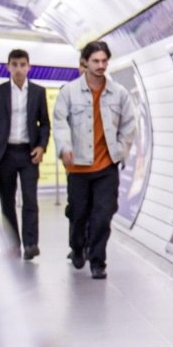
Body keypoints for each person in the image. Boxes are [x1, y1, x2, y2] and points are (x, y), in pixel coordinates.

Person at [53, 41, 136, 280]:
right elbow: (60, 123)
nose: (101, 66)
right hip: (78, 167)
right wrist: (65, 148)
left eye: (104, 61)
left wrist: (120, 150)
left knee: (103, 214)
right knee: (78, 214)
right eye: (96, 61)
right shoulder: (68, 92)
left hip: (106, 166)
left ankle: (98, 261)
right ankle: (77, 247)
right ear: (85, 63)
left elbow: (130, 124)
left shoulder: (118, 93)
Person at [0, 49, 50, 258]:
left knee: (30, 199)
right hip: (4, 154)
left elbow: (45, 123)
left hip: (29, 154)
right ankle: (12, 243)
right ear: (8, 67)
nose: (19, 69)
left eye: (22, 64)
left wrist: (42, 146)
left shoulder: (38, 92)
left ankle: (30, 244)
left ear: (29, 67)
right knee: (7, 200)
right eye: (15, 64)